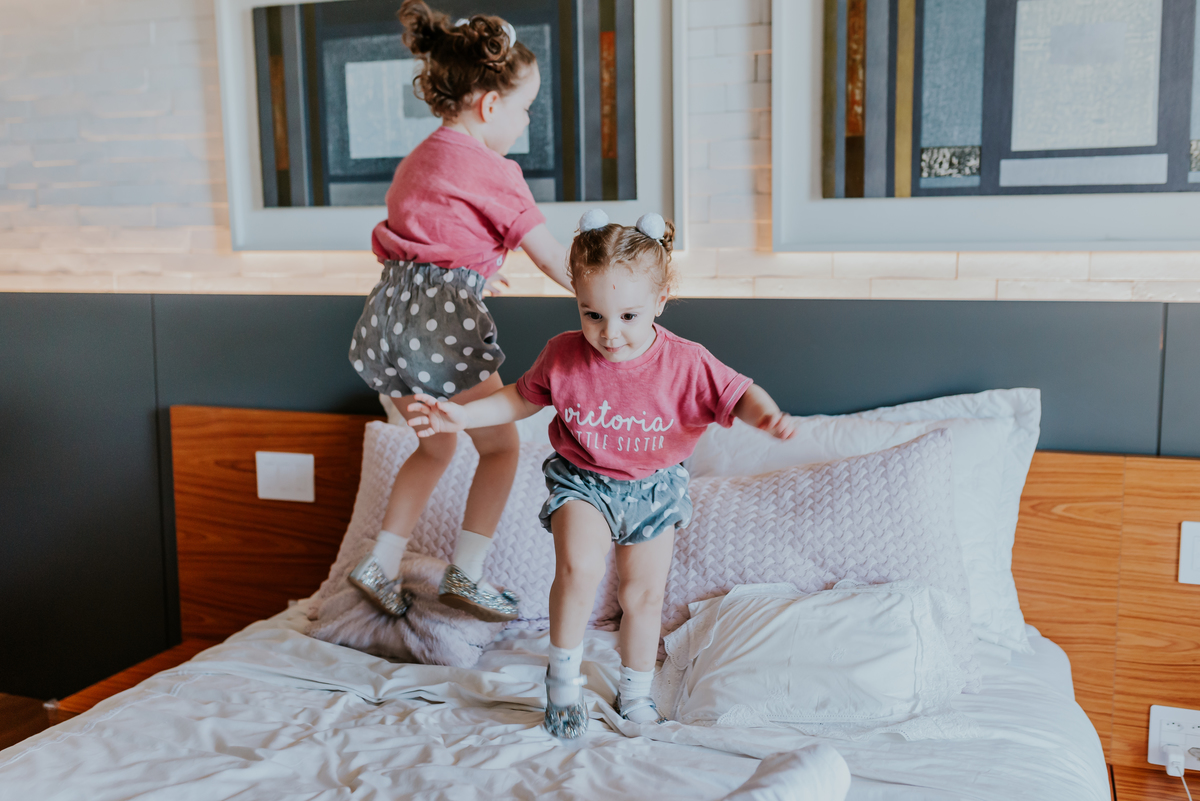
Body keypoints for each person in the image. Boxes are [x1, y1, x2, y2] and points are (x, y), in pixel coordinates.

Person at [404, 210, 797, 739]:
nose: (609, 335)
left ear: (659, 303)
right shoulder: (563, 354)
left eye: (629, 317)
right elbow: (520, 398)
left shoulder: (685, 362)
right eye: (593, 315)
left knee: (642, 596)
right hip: (582, 481)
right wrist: (463, 414)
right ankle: (562, 685)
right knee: (579, 571)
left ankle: (635, 691)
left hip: (654, 488)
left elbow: (738, 393)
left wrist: (765, 415)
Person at [346, 0, 571, 623]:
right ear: (490, 105)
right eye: (525, 110)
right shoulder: (495, 171)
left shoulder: (420, 158)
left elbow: (427, 242)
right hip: (438, 324)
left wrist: (469, 278)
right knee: (501, 448)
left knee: (437, 447)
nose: (524, 124)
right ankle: (467, 575)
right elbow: (552, 257)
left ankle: (380, 562)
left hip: (390, 319)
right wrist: (608, 295)